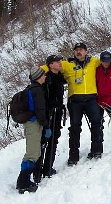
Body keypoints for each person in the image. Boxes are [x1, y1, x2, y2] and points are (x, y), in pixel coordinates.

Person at [60, 42, 104, 165]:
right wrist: (41, 68)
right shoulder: (67, 64)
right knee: (74, 128)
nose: (79, 52)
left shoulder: (94, 62)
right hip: (75, 101)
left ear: (86, 51)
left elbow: (107, 62)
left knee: (96, 123)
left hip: (91, 99)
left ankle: (97, 150)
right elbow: (53, 65)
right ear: (74, 52)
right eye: (76, 50)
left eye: (81, 50)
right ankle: (73, 156)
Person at [16, 66, 51, 194]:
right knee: (32, 153)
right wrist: (46, 126)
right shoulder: (37, 90)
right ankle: (23, 182)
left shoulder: (31, 89)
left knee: (34, 152)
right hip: (33, 124)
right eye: (43, 75)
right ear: (38, 77)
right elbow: (40, 111)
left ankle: (24, 181)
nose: (45, 76)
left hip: (31, 123)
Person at [33, 55, 66, 183]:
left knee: (53, 139)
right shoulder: (46, 78)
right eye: (57, 62)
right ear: (51, 64)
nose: (60, 63)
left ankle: (47, 168)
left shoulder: (59, 77)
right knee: (44, 141)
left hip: (56, 113)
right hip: (48, 113)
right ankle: (38, 171)